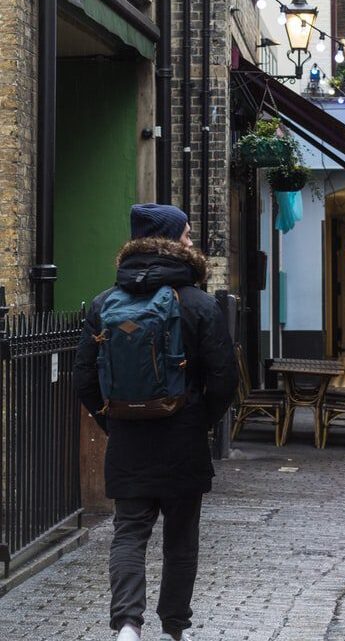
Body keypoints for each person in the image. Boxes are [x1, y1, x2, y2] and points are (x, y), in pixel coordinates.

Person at [73, 203, 238, 641]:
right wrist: (200, 420)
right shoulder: (199, 304)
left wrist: (117, 422)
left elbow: (85, 380)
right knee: (181, 538)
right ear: (169, 240)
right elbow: (225, 379)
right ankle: (174, 629)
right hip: (183, 438)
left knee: (128, 532)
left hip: (128, 438)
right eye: (186, 234)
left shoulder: (104, 303)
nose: (191, 241)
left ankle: (127, 626)